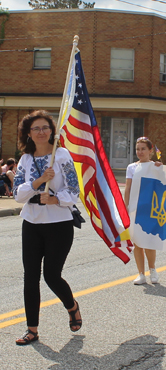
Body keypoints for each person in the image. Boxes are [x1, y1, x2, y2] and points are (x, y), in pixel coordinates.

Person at [13, 110, 81, 345]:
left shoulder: (61, 155)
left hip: (58, 224)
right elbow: (17, 194)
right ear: (29, 134)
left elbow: (74, 190)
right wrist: (39, 181)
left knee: (52, 275)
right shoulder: (25, 159)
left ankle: (72, 306)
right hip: (31, 223)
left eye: (45, 128)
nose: (41, 132)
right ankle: (32, 330)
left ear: (52, 131)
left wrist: (55, 199)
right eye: (36, 129)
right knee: (30, 277)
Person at [124, 137, 163, 285]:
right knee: (138, 243)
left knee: (149, 241)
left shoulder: (156, 166)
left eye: (143, 149)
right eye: (138, 149)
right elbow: (128, 189)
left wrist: (161, 168)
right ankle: (141, 273)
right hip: (135, 209)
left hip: (151, 210)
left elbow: (163, 185)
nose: (140, 152)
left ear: (150, 151)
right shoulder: (131, 167)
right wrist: (125, 207)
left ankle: (153, 270)